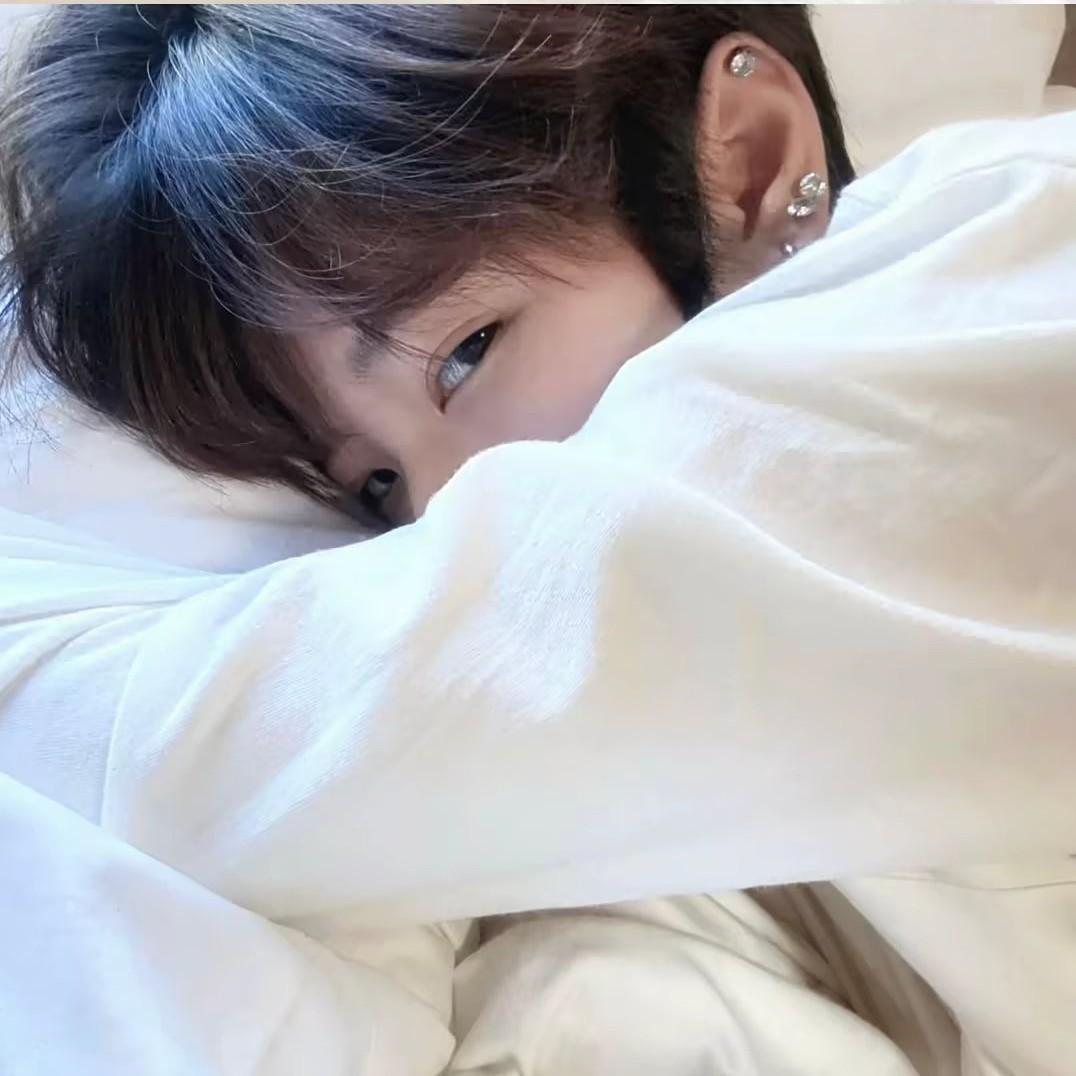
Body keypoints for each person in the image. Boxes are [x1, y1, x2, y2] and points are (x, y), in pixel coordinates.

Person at [1, 6, 1074, 1075]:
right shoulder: (705, 794)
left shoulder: (1002, 271)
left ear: (749, 163)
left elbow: (192, 773)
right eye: (377, 482)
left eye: (466, 353)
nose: (438, 509)